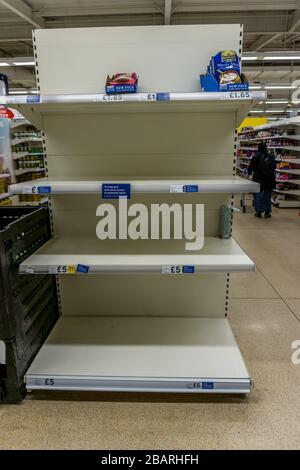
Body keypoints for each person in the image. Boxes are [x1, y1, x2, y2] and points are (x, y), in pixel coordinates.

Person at [248, 142, 276, 218]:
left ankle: (259, 212)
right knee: (267, 195)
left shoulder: (256, 156)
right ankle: (267, 212)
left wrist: (249, 173)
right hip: (269, 179)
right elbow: (274, 167)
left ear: (258, 148)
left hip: (258, 179)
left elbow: (250, 168)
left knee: (258, 195)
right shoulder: (271, 156)